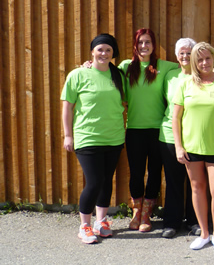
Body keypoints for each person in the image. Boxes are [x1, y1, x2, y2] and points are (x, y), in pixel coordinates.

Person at [172, 42, 214, 253]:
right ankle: (203, 233)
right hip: (191, 146)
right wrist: (178, 146)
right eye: (199, 59)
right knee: (197, 189)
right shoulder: (185, 84)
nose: (204, 63)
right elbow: (175, 116)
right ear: (194, 62)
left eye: (207, 58)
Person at [61, 34, 126, 244]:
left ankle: (101, 222)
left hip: (114, 137)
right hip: (87, 137)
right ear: (92, 51)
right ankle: (85, 226)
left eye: (108, 50)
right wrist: (68, 135)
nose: (104, 53)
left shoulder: (119, 76)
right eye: (100, 49)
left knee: (107, 181)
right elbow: (67, 107)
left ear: (113, 53)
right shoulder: (78, 75)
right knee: (95, 181)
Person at [120, 28, 179, 232]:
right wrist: (88, 65)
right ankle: (137, 211)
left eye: (148, 42)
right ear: (135, 45)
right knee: (136, 173)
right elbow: (105, 72)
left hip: (158, 130)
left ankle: (147, 214)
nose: (144, 46)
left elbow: (189, 65)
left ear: (154, 45)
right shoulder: (126, 67)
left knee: (155, 172)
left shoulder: (165, 66)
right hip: (134, 129)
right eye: (140, 42)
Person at [159, 38, 199, 238]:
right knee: (173, 181)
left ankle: (194, 221)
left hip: (194, 136)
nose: (185, 56)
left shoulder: (203, 76)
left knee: (195, 182)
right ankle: (171, 223)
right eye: (181, 53)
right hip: (169, 135)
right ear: (176, 56)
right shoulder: (169, 76)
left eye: (189, 52)